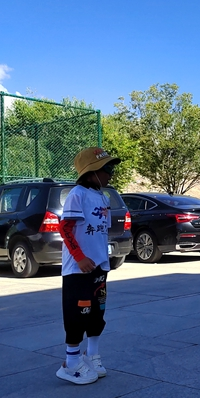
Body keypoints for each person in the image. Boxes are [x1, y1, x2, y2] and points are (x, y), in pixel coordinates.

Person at [57, 147, 120, 384]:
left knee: (97, 312)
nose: (110, 173)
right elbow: (65, 228)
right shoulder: (77, 194)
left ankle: (91, 355)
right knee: (77, 314)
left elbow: (101, 230)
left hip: (99, 266)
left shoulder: (102, 197)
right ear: (91, 172)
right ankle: (71, 363)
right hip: (79, 268)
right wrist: (80, 257)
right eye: (107, 168)